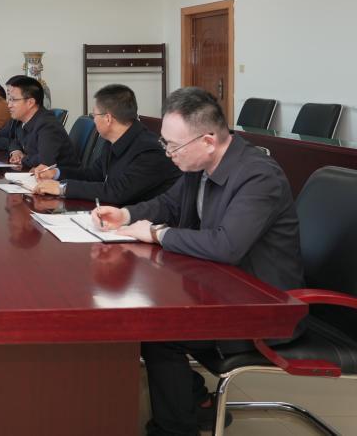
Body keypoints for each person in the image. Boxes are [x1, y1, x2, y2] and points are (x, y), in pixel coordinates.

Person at [94, 87, 303, 436]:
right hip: (220, 287)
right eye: (164, 143)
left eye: (173, 146)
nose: (167, 153)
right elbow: (169, 204)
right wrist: (125, 214)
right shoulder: (198, 163)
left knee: (159, 330)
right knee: (146, 314)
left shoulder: (258, 176)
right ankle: (192, 402)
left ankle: (177, 425)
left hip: (264, 307)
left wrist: (158, 234)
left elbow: (226, 245)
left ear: (207, 140)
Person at [32, 84, 181, 204]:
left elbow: (118, 192)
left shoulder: (150, 151)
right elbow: (93, 175)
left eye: (94, 115)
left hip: (149, 223)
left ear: (108, 118)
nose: (93, 120)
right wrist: (56, 173)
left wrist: (63, 188)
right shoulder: (114, 140)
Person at [5, 75, 77, 170]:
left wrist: (23, 160)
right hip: (36, 173)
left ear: (30, 102)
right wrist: (16, 152)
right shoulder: (22, 121)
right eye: (9, 99)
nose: (9, 105)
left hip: (61, 176)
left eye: (13, 100)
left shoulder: (47, 125)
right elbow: (15, 140)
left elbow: (45, 160)